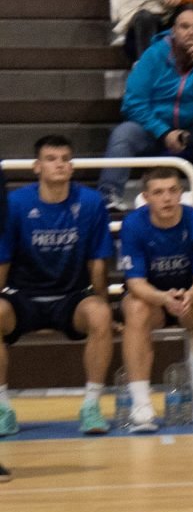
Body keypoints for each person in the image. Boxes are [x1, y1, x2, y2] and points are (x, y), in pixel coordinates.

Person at [0, 135, 116, 439]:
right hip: (22, 297)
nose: (59, 164)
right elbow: (2, 261)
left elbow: (98, 264)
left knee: (101, 315)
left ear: (72, 166)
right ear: (36, 167)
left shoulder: (90, 203)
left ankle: (91, 405)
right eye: (51, 159)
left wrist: (104, 304)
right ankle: (2, 408)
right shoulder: (15, 204)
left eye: (65, 159)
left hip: (71, 298)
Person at [117, 167, 193, 434]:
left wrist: (190, 295)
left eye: (173, 191)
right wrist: (162, 298)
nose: (167, 198)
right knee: (135, 306)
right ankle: (141, 405)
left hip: (190, 300)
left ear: (181, 193)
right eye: (158, 192)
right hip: (153, 300)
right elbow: (135, 283)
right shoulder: (133, 224)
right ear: (146, 197)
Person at [105, 6, 193, 199]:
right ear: (174, 30)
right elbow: (133, 103)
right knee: (124, 133)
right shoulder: (154, 54)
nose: (191, 32)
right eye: (185, 26)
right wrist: (164, 133)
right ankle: (110, 196)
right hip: (153, 130)